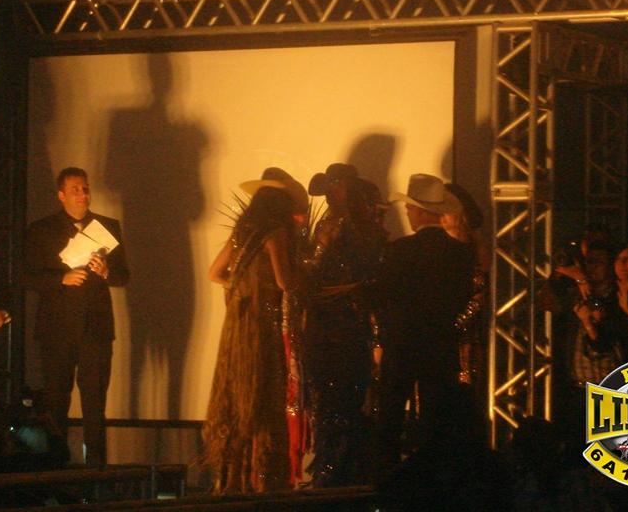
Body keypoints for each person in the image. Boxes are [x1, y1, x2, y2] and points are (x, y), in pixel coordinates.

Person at [202, 170, 307, 494]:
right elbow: (284, 282)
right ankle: (261, 477)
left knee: (237, 394)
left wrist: (241, 287)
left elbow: (215, 273)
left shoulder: (243, 230)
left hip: (237, 325)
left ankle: (232, 477)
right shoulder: (275, 232)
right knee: (263, 395)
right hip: (263, 324)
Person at [23, 167, 129, 467]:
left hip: (96, 327)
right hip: (57, 328)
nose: (82, 194)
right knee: (57, 400)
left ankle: (96, 468)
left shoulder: (106, 227)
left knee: (95, 401)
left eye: (85, 188)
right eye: (75, 190)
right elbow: (26, 276)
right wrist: (62, 279)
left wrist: (106, 272)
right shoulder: (42, 229)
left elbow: (123, 275)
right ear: (61, 195)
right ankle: (56, 467)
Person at [374, 173, 473, 477]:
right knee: (437, 415)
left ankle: (387, 477)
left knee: (391, 414)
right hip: (440, 343)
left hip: (402, 342)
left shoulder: (399, 250)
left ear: (419, 211)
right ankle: (435, 478)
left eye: (409, 208)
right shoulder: (459, 253)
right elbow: (463, 297)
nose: (406, 212)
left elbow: (385, 295)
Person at [303, 164, 386, 487]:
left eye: (335, 186)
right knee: (339, 395)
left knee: (335, 395)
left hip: (335, 322)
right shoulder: (360, 227)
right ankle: (339, 464)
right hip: (341, 320)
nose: (329, 193)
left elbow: (315, 270)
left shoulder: (343, 225)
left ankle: (335, 467)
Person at [441, 183, 489, 386]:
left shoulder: (474, 251)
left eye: (446, 208)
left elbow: (479, 296)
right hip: (435, 338)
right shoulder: (435, 248)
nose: (441, 215)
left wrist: (448, 326)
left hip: (464, 342)